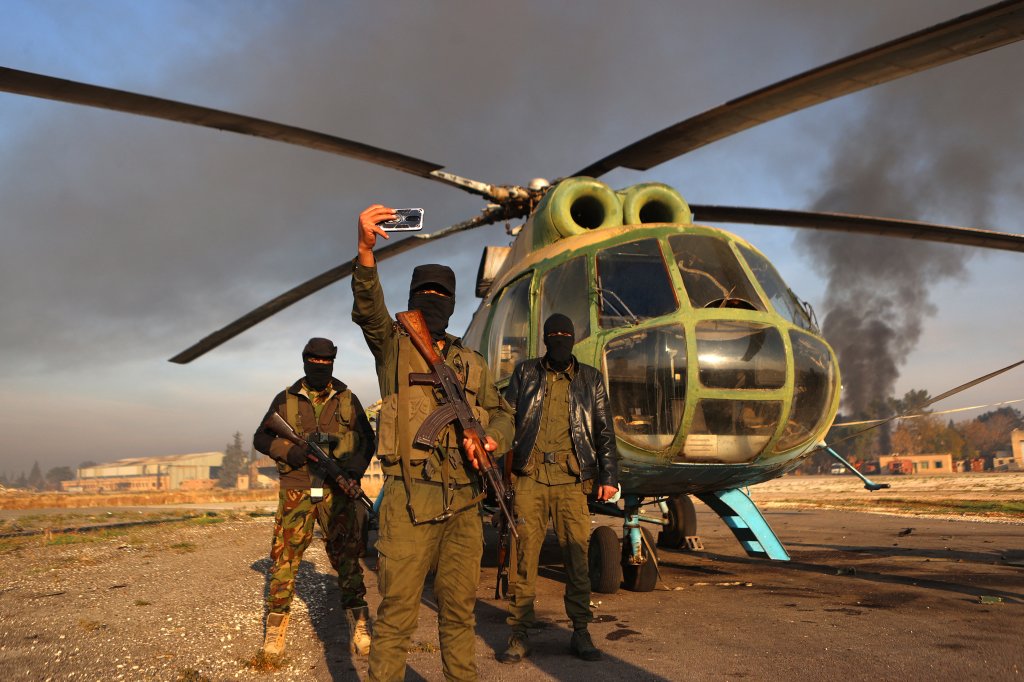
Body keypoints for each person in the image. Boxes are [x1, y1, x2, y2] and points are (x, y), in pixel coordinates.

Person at [352, 204, 515, 682]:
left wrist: (489, 439)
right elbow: (368, 310)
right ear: (412, 298)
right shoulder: (392, 345)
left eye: (442, 294)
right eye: (425, 293)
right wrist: (365, 250)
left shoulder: (473, 362)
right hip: (407, 499)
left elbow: (504, 413)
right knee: (398, 616)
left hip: (464, 502)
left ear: (454, 301)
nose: (433, 300)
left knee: (460, 616)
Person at [499, 313, 619, 664]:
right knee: (524, 562)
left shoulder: (591, 379)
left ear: (573, 339)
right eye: (554, 335)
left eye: (566, 335)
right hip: (529, 478)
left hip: (572, 481)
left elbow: (604, 433)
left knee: (577, 560)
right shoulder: (525, 373)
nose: (560, 340)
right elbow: (506, 418)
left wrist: (608, 477)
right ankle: (519, 634)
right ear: (546, 339)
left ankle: (580, 632)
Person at [253, 337, 376, 660]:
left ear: (332, 363)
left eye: (326, 362)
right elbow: (261, 437)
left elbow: (367, 440)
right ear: (305, 360)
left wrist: (352, 472)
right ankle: (276, 626)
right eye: (314, 360)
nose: (320, 366)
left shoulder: (348, 399)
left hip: (337, 491)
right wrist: (290, 451)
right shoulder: (286, 399)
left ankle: (360, 622)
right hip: (297, 487)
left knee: (348, 557)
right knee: (284, 559)